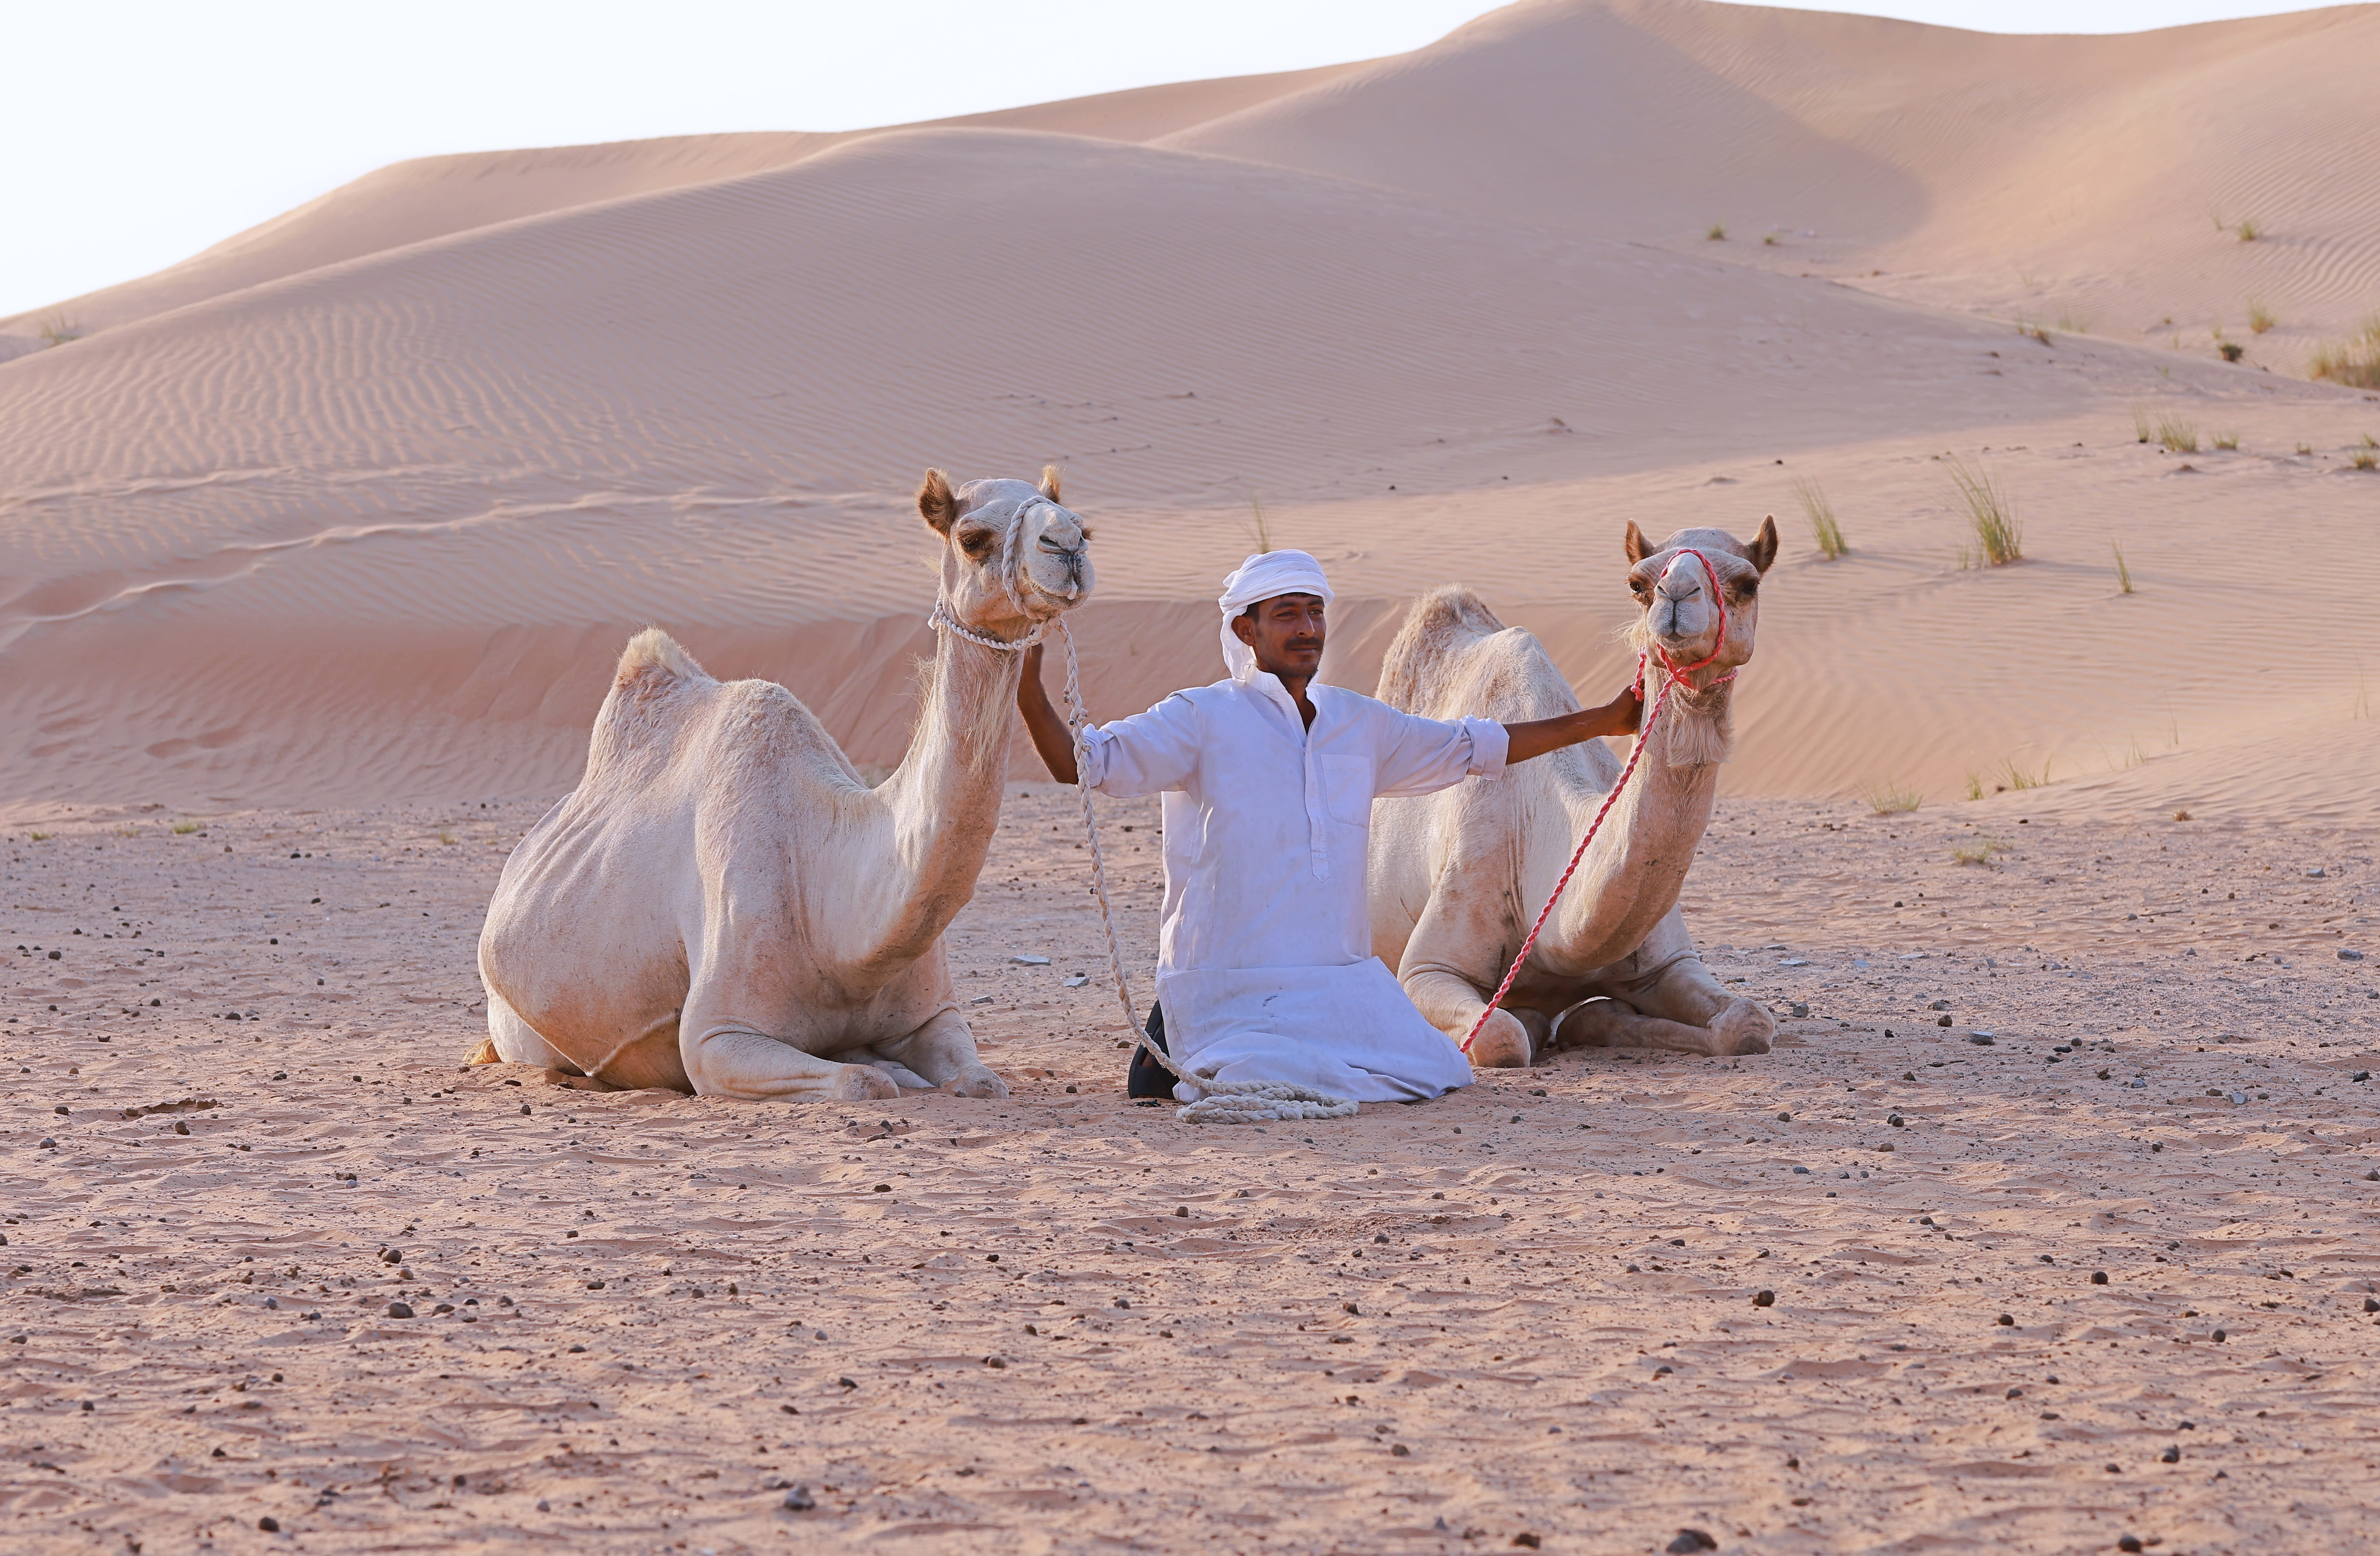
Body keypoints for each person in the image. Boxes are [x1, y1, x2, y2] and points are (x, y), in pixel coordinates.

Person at [1017, 550, 1640, 1107]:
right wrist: (1026, 687)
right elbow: (1082, 764)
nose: (1307, 628)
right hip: (1230, 977)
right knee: (1257, 1071)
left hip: (1337, 977)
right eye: (1286, 614)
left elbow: (1476, 745)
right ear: (1245, 628)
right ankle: (1179, 1049)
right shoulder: (1199, 718)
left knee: (1438, 1068)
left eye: (1314, 612)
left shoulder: (1358, 722)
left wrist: (1603, 720)